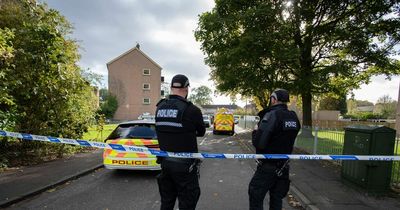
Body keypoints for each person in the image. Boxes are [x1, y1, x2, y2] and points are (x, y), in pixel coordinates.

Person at [155, 74, 206, 210]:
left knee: (166, 202)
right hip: (185, 167)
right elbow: (201, 132)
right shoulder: (192, 110)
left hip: (165, 164)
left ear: (171, 87)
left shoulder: (159, 108)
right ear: (186, 88)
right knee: (187, 202)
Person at [248, 89, 301, 210]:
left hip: (267, 167)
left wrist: (256, 131)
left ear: (273, 99)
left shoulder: (271, 115)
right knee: (276, 198)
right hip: (284, 167)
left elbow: (259, 143)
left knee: (255, 194)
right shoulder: (293, 116)